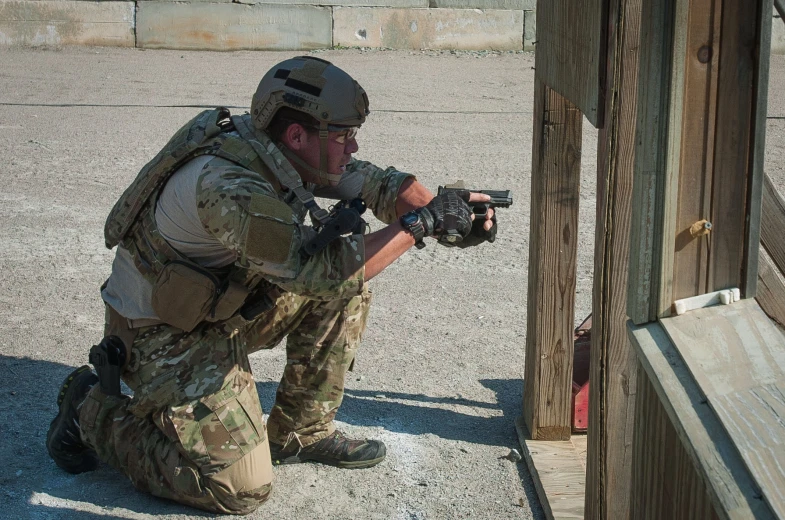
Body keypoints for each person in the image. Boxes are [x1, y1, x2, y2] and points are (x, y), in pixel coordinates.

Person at [46, 56, 497, 515]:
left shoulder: (274, 148)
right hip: (162, 336)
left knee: (347, 288)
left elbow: (376, 183)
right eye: (342, 134)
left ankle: (300, 431)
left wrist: (448, 212)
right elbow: (322, 270)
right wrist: (421, 224)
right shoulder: (229, 187)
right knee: (239, 490)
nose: (352, 144)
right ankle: (92, 412)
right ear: (297, 135)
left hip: (221, 308)